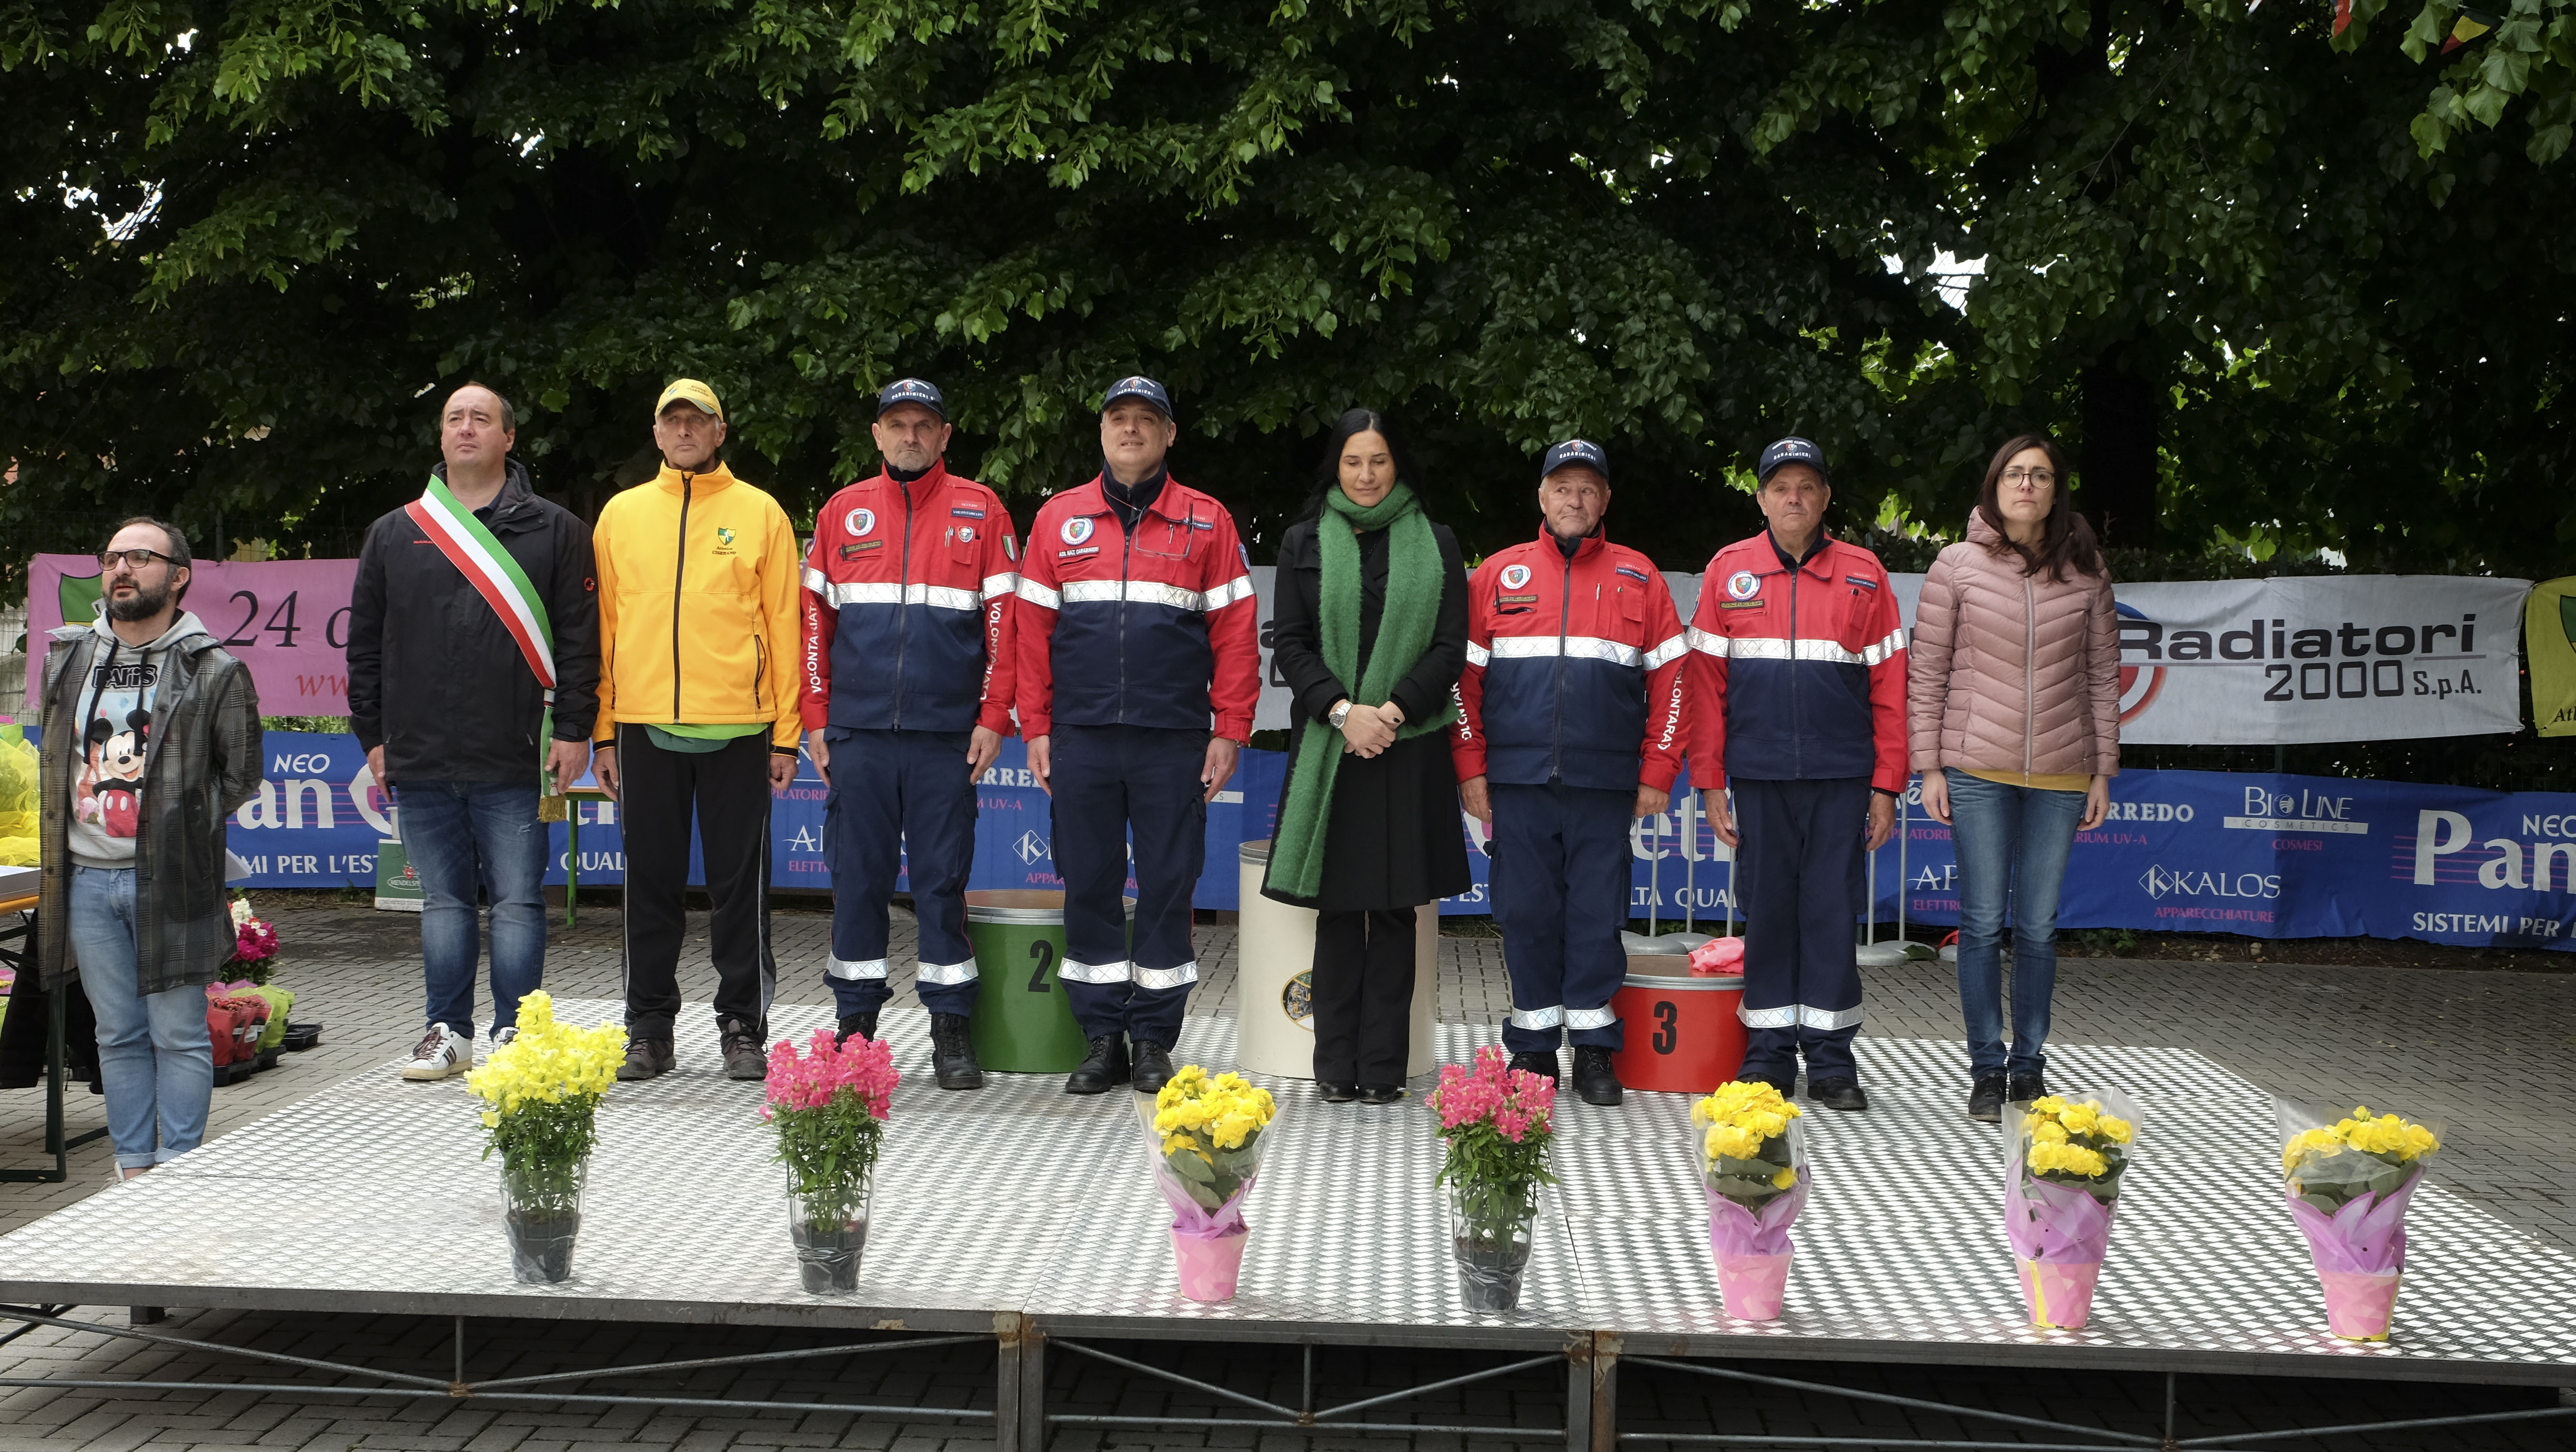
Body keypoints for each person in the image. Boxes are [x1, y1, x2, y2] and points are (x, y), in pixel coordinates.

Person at [349, 383, 600, 1082]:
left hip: (519, 754)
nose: (466, 428)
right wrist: (373, 735)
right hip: (419, 752)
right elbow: (365, 645)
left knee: (517, 901)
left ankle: (515, 1033)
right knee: (443, 903)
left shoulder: (557, 530)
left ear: (508, 438)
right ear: (441, 436)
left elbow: (581, 641)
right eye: (454, 418)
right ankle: (448, 1033)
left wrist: (573, 727)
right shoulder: (394, 532)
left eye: (481, 419)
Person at [1015, 375, 1259, 1096]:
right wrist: (1036, 726)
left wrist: (1230, 728)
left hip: (1172, 739)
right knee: (1088, 883)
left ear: (1169, 433)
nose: (1131, 429)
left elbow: (1237, 635)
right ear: (1102, 431)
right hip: (1082, 736)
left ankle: (1153, 1038)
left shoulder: (1207, 521)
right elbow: (1031, 634)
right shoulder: (1058, 518)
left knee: (1167, 886)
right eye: (1118, 418)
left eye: (1145, 419)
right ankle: (1100, 1038)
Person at [1453, 439, 1686, 1108]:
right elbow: (1461, 685)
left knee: (1594, 915)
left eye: (1588, 489)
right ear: (1542, 496)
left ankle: (1592, 1049)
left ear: (1605, 499)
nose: (1574, 500)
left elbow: (1673, 683)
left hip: (1605, 784)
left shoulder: (1640, 576)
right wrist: (1470, 768)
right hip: (1517, 781)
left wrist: (1658, 770)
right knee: (1525, 913)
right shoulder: (1496, 575)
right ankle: (1532, 1048)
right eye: (1563, 488)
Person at [801, 378, 1018, 1088]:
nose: (911, 436)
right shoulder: (842, 511)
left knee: (940, 885)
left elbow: (1005, 627)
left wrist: (993, 717)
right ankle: (855, 1029)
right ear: (877, 434)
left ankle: (950, 1029)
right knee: (857, 882)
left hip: (945, 737)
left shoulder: (981, 509)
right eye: (898, 424)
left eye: (924, 425)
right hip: (858, 733)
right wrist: (815, 717)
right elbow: (813, 625)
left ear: (945, 435)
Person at [592, 379, 803, 1082]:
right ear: (657, 433)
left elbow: (786, 626)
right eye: (673, 420)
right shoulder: (621, 515)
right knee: (648, 886)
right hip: (643, 727)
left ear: (720, 431)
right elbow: (604, 631)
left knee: (739, 890)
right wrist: (602, 732)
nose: (684, 430)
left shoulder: (761, 512)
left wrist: (786, 735)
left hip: (741, 729)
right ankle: (649, 1029)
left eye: (698, 420)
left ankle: (743, 1026)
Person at [1686, 437, 1906, 1112]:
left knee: (1832, 913)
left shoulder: (1865, 574)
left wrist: (1886, 785)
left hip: (1842, 777)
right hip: (1758, 776)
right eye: (1781, 487)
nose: (1794, 498)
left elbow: (1891, 687)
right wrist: (1710, 780)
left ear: (1826, 498)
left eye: (1807, 487)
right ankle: (1769, 1053)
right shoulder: (1728, 571)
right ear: (1760, 498)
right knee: (1769, 911)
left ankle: (1833, 1060)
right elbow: (1705, 688)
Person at [37, 519, 262, 1178]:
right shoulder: (68, 658)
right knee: (116, 1034)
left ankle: (179, 1173)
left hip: (173, 879)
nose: (121, 569)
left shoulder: (214, 668)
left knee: (180, 1033)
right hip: (85, 880)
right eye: (112, 557)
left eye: (140, 557)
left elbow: (242, 774)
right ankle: (134, 1171)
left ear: (179, 576)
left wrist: (179, 824)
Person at [1261, 409, 1471, 1104]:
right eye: (1354, 461)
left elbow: (1450, 646)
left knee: (1394, 913)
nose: (1367, 474)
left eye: (1379, 460)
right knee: (1340, 909)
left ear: (1397, 464)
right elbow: (1290, 642)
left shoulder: (1436, 542)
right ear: (1337, 466)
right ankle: (1333, 1067)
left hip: (1406, 746)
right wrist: (1345, 712)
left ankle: (1382, 1069)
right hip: (1334, 744)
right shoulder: (1303, 541)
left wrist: (1392, 712)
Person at [1907, 433, 2118, 1122]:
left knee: (2037, 927)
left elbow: (2102, 678)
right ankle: (1986, 1070)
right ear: (1995, 487)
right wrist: (1928, 766)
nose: (2027, 485)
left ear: (2056, 491)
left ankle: (2029, 1068)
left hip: (2062, 772)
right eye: (2015, 474)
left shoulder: (2087, 570)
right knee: (1979, 923)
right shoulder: (1955, 565)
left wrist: (2102, 772)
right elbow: (1927, 672)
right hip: (1975, 768)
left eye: (2041, 475)